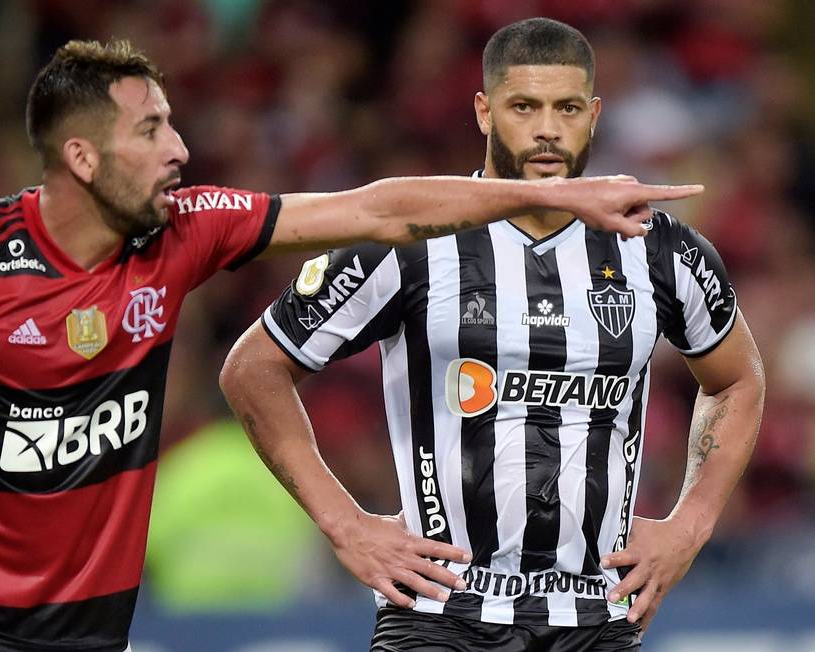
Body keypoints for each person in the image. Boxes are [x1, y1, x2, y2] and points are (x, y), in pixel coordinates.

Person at [0, 37, 702, 652]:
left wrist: (554, 195)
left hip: (96, 636)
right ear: (84, 156)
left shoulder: (186, 232)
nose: (180, 150)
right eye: (152, 129)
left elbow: (379, 210)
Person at [221, 17, 764, 652]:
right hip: (440, 618)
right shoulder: (414, 240)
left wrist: (688, 527)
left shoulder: (662, 251)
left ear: (593, 114)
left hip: (597, 618)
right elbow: (253, 368)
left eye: (566, 108)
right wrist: (345, 524)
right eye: (523, 106)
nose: (546, 129)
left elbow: (737, 380)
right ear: (483, 111)